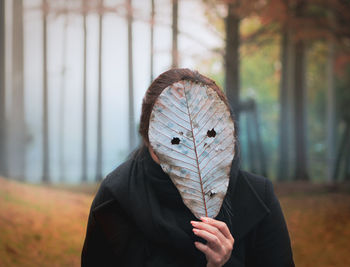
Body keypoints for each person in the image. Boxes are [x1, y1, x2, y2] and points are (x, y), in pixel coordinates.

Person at [81, 69, 295, 267]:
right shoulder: (116, 199)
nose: (193, 149)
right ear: (148, 138)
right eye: (174, 138)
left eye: (209, 133)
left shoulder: (256, 197)